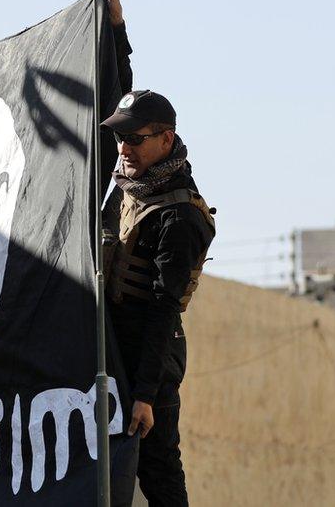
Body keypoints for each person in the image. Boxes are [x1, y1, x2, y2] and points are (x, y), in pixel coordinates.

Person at [101, 90, 216, 506]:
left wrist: (146, 395)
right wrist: (115, 32)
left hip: (151, 354)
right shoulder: (127, 186)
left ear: (166, 140)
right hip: (109, 346)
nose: (124, 148)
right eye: (120, 138)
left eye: (135, 138)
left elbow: (163, 309)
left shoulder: (180, 215)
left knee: (158, 470)